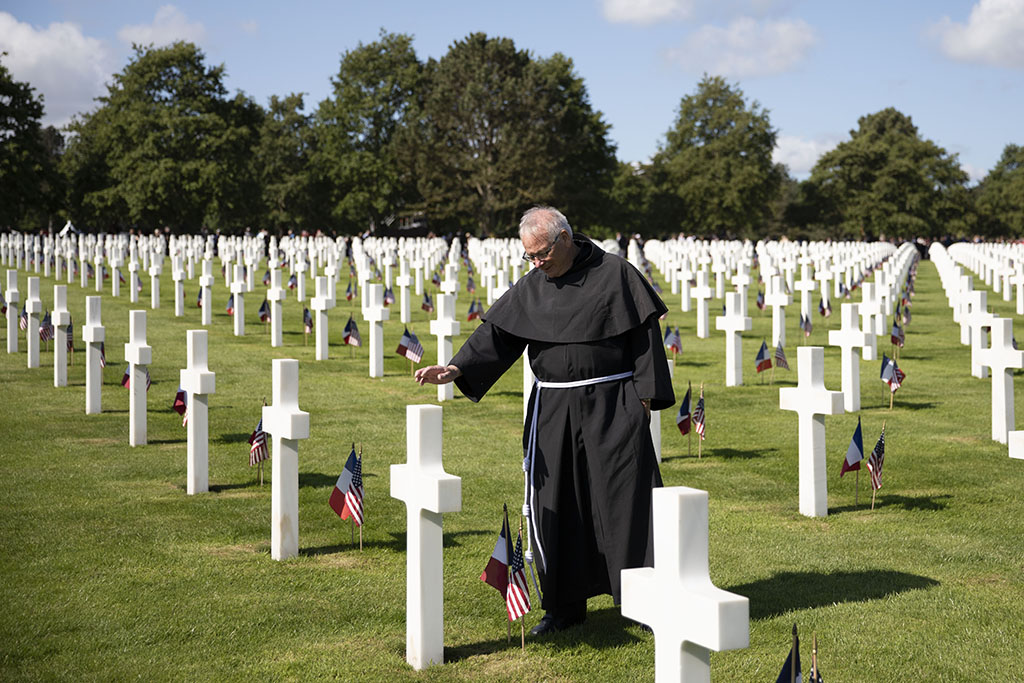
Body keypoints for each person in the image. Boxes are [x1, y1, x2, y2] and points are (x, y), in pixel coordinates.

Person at [414, 207, 674, 635]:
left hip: (612, 406)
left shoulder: (617, 274)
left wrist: (643, 400)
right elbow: (499, 334)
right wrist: (457, 368)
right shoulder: (535, 283)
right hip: (553, 411)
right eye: (529, 257)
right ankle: (562, 606)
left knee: (627, 502)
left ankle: (641, 601)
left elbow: (645, 339)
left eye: (541, 254)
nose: (536, 264)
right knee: (555, 505)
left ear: (565, 238)